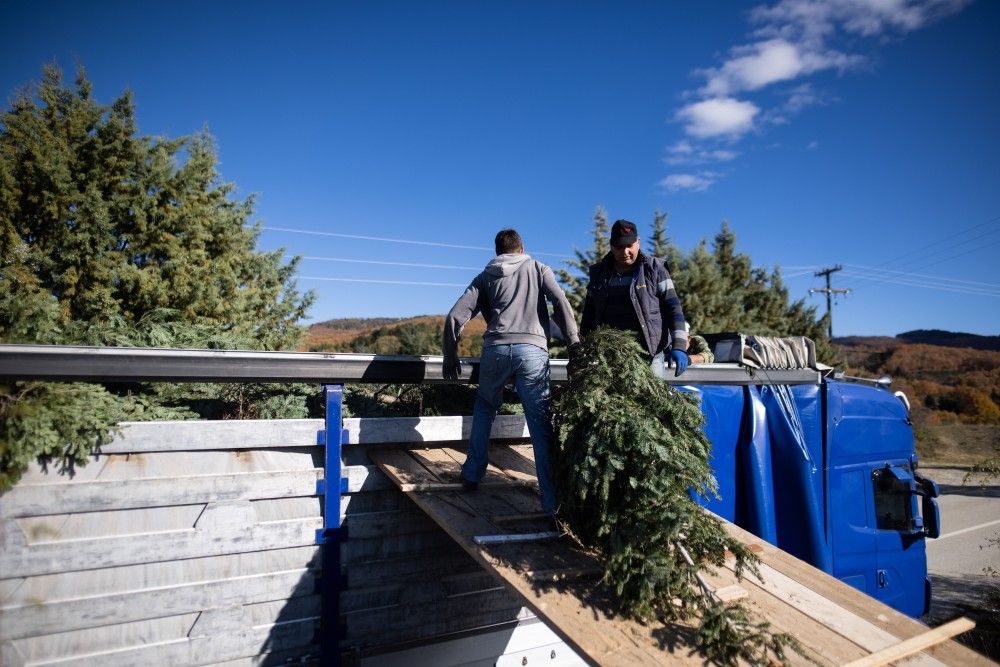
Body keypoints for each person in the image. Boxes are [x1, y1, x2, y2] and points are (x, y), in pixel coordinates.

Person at [442, 228, 579, 515]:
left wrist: (450, 356)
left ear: (497, 252)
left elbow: (456, 316)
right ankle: (552, 503)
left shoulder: (485, 277)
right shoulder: (539, 269)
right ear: (522, 247)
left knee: (485, 407)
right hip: (532, 351)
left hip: (495, 351)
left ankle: (471, 475)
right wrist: (574, 344)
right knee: (540, 425)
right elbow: (561, 303)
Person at [580, 219, 689, 377]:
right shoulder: (599, 274)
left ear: (638, 242)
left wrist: (679, 346)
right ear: (611, 245)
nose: (625, 252)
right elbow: (588, 316)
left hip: (650, 356)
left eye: (629, 246)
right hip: (609, 358)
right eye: (619, 247)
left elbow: (674, 308)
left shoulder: (655, 269)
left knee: (651, 401)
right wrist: (583, 348)